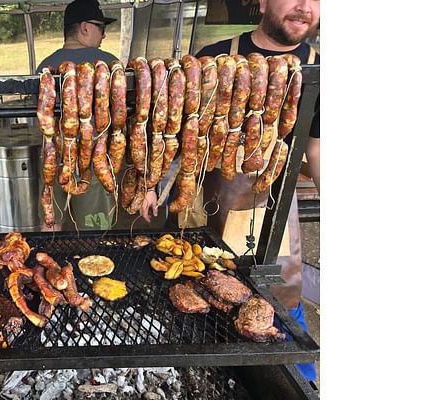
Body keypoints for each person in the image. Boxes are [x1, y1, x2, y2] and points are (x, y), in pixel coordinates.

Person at [162, 0, 320, 382]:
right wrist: (158, 185)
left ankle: (298, 379)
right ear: (263, 2)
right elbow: (184, 137)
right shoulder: (214, 58)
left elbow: (317, 145)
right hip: (206, 201)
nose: (305, 6)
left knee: (282, 304)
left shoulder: (320, 69)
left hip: (274, 211)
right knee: (194, 293)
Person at [35, 0, 122, 231]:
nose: (103, 35)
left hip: (52, 158)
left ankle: (48, 262)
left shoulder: (44, 67)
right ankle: (97, 261)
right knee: (96, 227)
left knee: (50, 223)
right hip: (96, 160)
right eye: (101, 28)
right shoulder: (109, 63)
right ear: (85, 27)